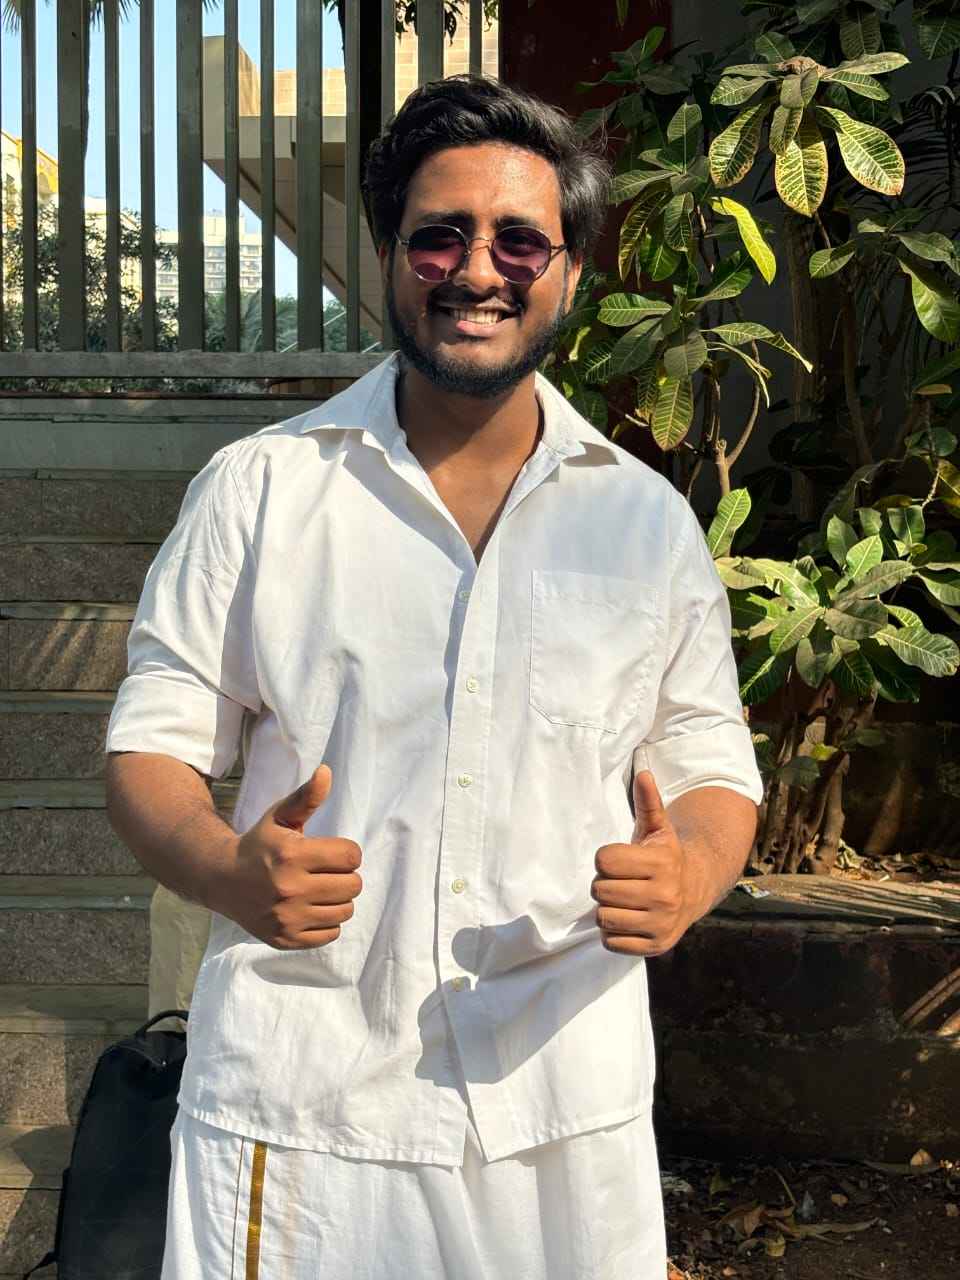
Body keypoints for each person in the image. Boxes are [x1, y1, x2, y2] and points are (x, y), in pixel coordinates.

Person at [105, 74, 762, 1280]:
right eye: (439, 235)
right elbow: (151, 745)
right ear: (389, 256)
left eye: (520, 240)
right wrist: (225, 869)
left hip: (562, 1106)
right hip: (306, 1103)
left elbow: (712, 764)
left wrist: (690, 872)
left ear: (570, 271)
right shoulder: (261, 491)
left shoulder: (645, 523)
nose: (476, 270)